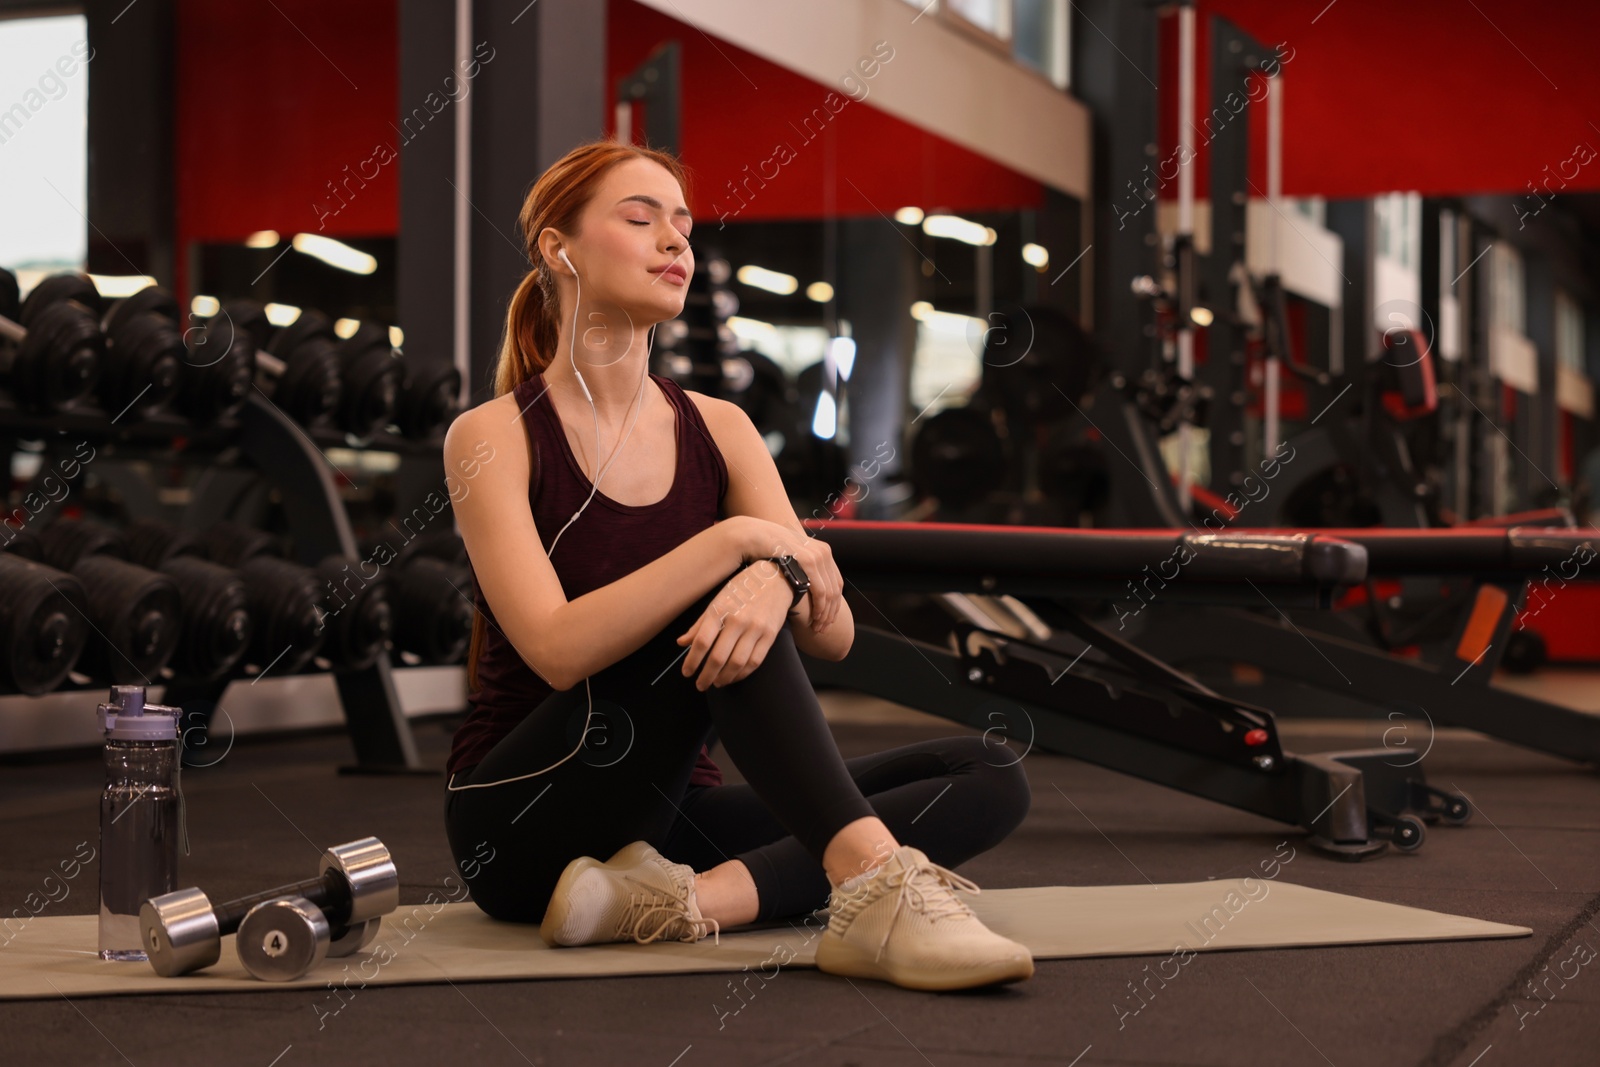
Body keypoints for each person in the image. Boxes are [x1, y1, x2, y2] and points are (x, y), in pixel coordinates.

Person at [440, 139, 1033, 991]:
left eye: (683, 225)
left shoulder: (719, 427)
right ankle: (875, 888)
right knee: (730, 581)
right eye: (641, 220)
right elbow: (555, 648)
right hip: (524, 817)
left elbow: (832, 637)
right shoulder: (493, 434)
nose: (676, 242)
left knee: (989, 773)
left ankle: (684, 902)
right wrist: (736, 548)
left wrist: (779, 575)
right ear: (558, 247)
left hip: (665, 822)